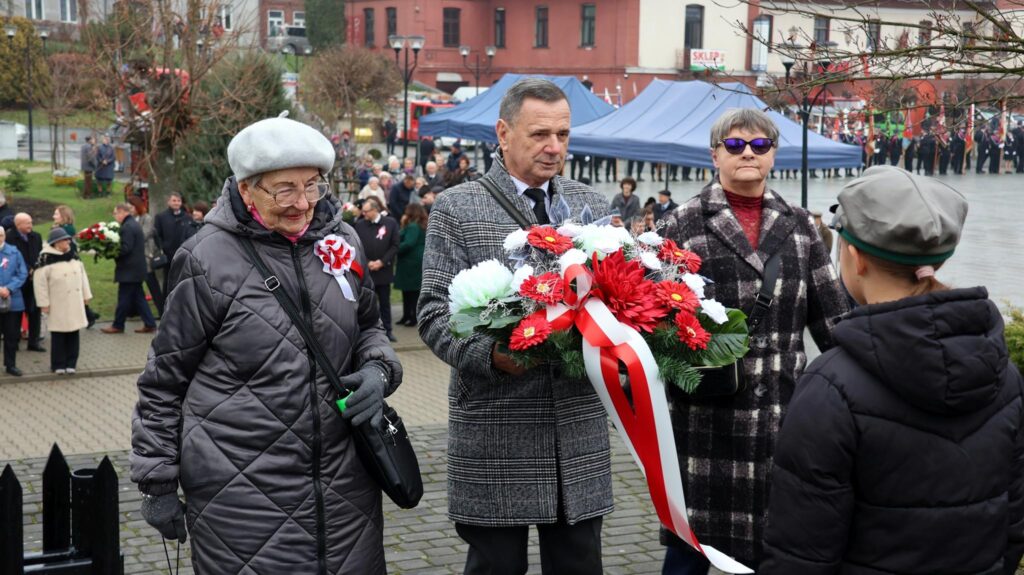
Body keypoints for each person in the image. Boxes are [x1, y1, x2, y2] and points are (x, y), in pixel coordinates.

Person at [131, 115, 402, 574]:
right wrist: (156, 480)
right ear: (246, 189)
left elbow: (370, 327)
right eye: (284, 190)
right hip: (241, 494)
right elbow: (164, 380)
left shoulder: (343, 241)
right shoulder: (205, 258)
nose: (303, 203)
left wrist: (379, 370)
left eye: (312, 185)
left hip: (345, 489)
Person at [761, 165, 1024, 574]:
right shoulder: (1003, 374)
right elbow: (1013, 524)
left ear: (855, 258)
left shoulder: (829, 386)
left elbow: (800, 554)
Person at [418, 78, 613, 575]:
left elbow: (618, 300)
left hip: (576, 426)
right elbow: (433, 313)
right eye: (540, 134)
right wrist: (490, 355)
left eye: (563, 135)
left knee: (579, 565)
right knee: (495, 566)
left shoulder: (591, 205)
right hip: (496, 423)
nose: (554, 147)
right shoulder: (458, 207)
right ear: (503, 134)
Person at [659, 108, 849, 572]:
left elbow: (836, 322)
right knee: (689, 552)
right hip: (705, 416)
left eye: (760, 145)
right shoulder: (681, 225)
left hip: (782, 417)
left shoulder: (801, 226)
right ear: (715, 155)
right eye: (735, 144)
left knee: (774, 549)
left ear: (773, 155)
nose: (748, 153)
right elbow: (656, 324)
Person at [33, 228, 92, 375]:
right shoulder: (45, 259)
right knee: (59, 335)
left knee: (74, 333)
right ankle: (58, 364)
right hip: (57, 303)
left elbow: (83, 276)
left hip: (75, 302)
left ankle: (71, 363)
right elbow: (39, 284)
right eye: (65, 240)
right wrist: (43, 303)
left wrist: (86, 295)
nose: (68, 242)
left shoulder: (73, 256)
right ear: (57, 243)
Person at [101, 204, 157, 334]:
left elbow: (126, 248)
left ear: (122, 212)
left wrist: (111, 252)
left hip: (129, 270)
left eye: (116, 213)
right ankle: (150, 323)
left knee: (124, 298)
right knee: (139, 298)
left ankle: (118, 325)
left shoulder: (127, 227)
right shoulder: (133, 224)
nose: (115, 216)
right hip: (135, 269)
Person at [352, 197, 400, 342]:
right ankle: (368, 333)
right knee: (367, 303)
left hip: (383, 270)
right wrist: (367, 263)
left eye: (366, 211)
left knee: (385, 303)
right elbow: (355, 246)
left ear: (374, 210)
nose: (363, 214)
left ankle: (388, 330)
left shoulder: (390, 223)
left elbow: (394, 245)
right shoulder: (359, 225)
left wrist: (382, 262)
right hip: (366, 271)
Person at [9, 213, 44, 352]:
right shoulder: (10, 237)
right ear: (18, 225)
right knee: (16, 313)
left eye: (31, 222)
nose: (31, 225)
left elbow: (40, 255)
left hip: (34, 280)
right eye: (27, 223)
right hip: (18, 281)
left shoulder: (36, 236)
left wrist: (36, 268)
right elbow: (12, 258)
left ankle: (33, 342)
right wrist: (27, 269)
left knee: (35, 311)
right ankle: (14, 342)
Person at [127, 196, 165, 318]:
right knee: (135, 285)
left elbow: (144, 235)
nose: (130, 209)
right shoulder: (131, 219)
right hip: (134, 257)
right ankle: (133, 310)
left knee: (152, 284)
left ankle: (162, 311)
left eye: (131, 207)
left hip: (145, 256)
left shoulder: (146, 218)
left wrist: (130, 236)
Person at [0, 227, 27, 376]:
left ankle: (10, 365)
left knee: (11, 336)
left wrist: (9, 288)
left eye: (1, 235)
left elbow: (22, 273)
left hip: (13, 302)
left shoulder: (14, 252)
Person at [395, 203, 427, 327]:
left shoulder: (413, 226)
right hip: (414, 261)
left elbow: (409, 243)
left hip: (410, 261)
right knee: (410, 291)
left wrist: (394, 249)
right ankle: (407, 315)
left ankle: (412, 317)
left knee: (411, 292)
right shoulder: (420, 225)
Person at [153, 192, 189, 295]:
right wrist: (162, 248)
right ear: (168, 202)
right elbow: (157, 235)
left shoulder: (187, 217)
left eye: (178, 201)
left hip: (183, 254)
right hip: (168, 255)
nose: (176, 203)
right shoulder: (161, 217)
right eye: (174, 200)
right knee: (168, 281)